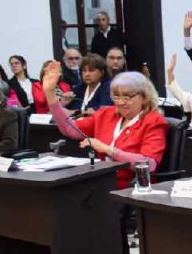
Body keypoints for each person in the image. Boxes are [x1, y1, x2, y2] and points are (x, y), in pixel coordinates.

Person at [41, 60, 168, 190]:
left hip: (129, 187)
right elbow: (69, 129)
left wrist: (108, 150)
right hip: (100, 181)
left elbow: (149, 164)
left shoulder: (153, 121)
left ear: (144, 97)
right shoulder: (106, 114)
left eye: (127, 97)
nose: (121, 102)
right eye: (116, 96)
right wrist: (51, 95)